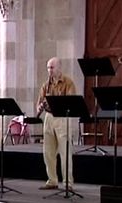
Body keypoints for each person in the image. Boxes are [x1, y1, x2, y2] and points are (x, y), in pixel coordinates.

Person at [36, 57, 76, 190]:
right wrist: (40, 106)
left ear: (59, 68)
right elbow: (38, 104)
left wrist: (55, 101)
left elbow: (71, 102)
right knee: (48, 151)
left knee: (65, 151)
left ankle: (67, 183)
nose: (49, 71)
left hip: (62, 117)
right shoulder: (45, 84)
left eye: (52, 68)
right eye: (48, 68)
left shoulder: (68, 83)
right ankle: (52, 180)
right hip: (48, 117)